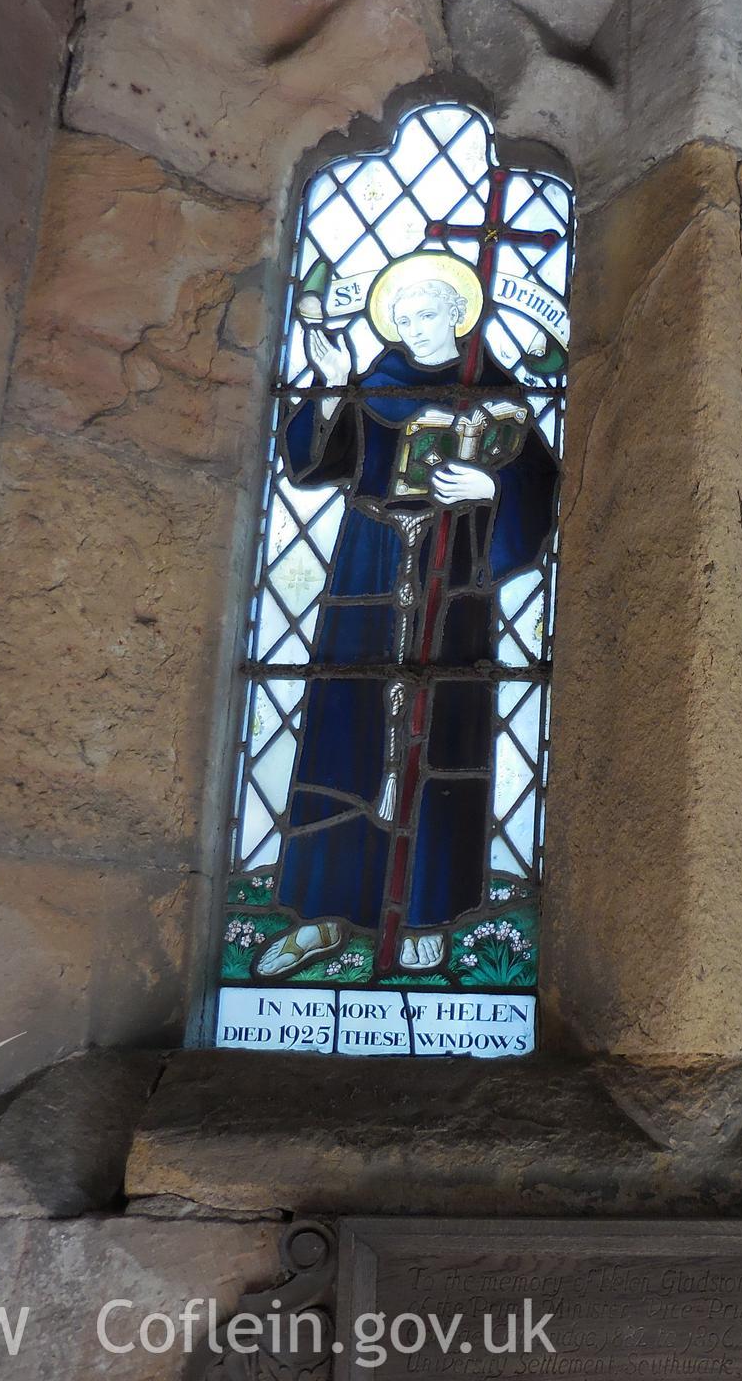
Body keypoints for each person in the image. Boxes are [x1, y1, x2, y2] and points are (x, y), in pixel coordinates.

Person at [254, 251, 562, 979]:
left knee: (446, 730)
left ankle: (428, 913)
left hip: (455, 576)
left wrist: (487, 487)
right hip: (372, 565)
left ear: (460, 315)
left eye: (431, 313)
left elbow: (542, 492)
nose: (417, 328)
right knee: (344, 728)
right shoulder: (377, 386)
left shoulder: (500, 389)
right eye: (405, 316)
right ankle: (322, 913)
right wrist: (328, 384)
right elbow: (308, 464)